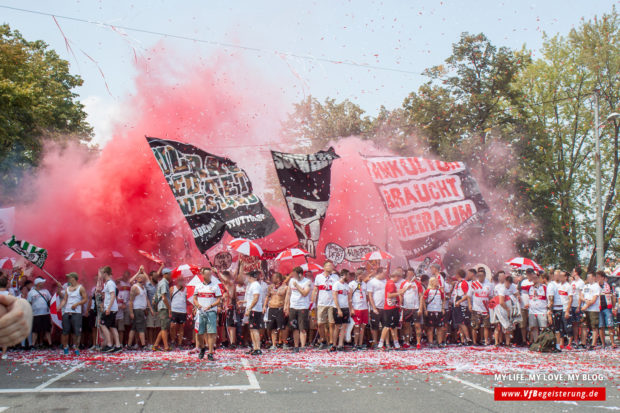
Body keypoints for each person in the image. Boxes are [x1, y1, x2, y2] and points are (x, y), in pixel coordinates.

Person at [193, 267, 222, 361]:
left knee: (211, 332)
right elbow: (194, 298)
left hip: (211, 312)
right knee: (200, 333)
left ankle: (210, 352)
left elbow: (219, 300)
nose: (209, 276)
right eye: (207, 274)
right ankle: (202, 348)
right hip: (200, 312)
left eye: (210, 274)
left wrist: (211, 306)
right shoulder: (198, 286)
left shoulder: (215, 286)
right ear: (203, 275)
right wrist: (198, 305)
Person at [311, 261, 339, 350]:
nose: (330, 267)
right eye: (328, 265)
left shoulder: (335, 277)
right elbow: (315, 289)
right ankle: (323, 340)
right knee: (320, 323)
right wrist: (312, 301)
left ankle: (331, 342)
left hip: (332, 303)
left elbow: (338, 289)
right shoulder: (319, 277)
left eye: (331, 265)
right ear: (324, 267)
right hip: (321, 303)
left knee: (331, 323)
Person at [285, 267, 312, 353]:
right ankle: (296, 346)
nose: (294, 276)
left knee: (302, 328)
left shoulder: (307, 282)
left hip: (303, 307)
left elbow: (305, 293)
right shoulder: (291, 281)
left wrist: (297, 285)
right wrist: (286, 305)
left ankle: (303, 346)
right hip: (293, 306)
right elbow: (288, 293)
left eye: (295, 275)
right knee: (294, 327)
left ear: (300, 274)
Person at [59, 272, 87, 355]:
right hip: (67, 311)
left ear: (73, 278)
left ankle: (76, 347)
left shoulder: (81, 288)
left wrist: (77, 304)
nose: (68, 279)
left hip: (76, 312)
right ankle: (65, 347)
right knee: (65, 331)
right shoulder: (67, 288)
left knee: (76, 332)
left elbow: (85, 299)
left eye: (69, 277)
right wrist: (60, 306)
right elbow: (64, 299)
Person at [127, 269, 153, 349]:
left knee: (134, 328)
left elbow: (147, 299)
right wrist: (131, 312)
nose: (144, 278)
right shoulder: (135, 287)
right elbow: (131, 301)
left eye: (144, 277)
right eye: (141, 277)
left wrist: (150, 309)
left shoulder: (144, 288)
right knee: (141, 328)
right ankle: (143, 345)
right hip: (137, 310)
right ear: (138, 278)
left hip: (141, 310)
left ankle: (129, 345)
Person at [399, 269, 423, 349]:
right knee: (406, 326)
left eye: (411, 274)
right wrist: (401, 305)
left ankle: (418, 342)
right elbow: (400, 293)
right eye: (408, 273)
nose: (410, 275)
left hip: (415, 308)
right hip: (406, 308)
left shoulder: (417, 284)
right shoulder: (403, 283)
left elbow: (421, 296)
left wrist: (420, 308)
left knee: (417, 326)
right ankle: (407, 341)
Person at [99, 266, 121, 352]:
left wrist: (108, 308)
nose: (101, 275)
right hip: (112, 308)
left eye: (102, 273)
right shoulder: (108, 283)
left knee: (102, 324)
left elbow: (113, 296)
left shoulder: (110, 283)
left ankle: (109, 344)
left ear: (105, 273)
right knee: (112, 327)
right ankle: (118, 345)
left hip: (110, 308)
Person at [265, 272, 289, 350]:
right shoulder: (270, 287)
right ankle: (274, 344)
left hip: (280, 308)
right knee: (272, 327)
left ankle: (283, 342)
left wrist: (286, 308)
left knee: (282, 327)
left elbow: (287, 299)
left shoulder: (285, 287)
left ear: (278, 278)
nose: (272, 279)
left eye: (273, 277)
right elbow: (267, 297)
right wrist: (264, 306)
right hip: (271, 308)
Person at [27, 277, 52, 348]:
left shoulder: (46, 291)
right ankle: (33, 344)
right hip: (36, 314)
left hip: (45, 313)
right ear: (38, 284)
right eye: (41, 283)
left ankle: (50, 343)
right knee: (35, 330)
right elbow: (29, 302)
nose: (43, 284)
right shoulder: (31, 292)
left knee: (47, 329)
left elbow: (50, 300)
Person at [469, 270, 492, 346]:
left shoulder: (489, 284)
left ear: (485, 276)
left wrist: (491, 307)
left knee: (486, 326)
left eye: (481, 276)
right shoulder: (474, 284)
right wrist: (470, 305)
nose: (480, 277)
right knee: (475, 326)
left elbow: (491, 296)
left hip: (486, 308)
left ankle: (485, 341)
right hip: (476, 308)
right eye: (478, 276)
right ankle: (474, 342)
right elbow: (469, 295)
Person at [379, 271, 401, 350]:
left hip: (393, 307)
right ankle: (380, 343)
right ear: (396, 277)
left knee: (394, 326)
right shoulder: (390, 283)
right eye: (399, 277)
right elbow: (389, 295)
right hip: (389, 308)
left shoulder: (391, 283)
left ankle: (396, 343)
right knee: (387, 326)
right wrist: (400, 292)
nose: (399, 279)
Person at [330, 271, 352, 351]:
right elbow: (335, 297)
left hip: (345, 308)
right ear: (343, 275)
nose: (349, 277)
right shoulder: (336, 284)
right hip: (337, 308)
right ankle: (334, 344)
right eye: (348, 275)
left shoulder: (347, 286)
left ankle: (340, 344)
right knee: (337, 326)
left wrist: (350, 309)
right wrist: (338, 309)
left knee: (344, 327)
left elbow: (349, 299)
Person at [245, 270, 264, 356]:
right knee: (252, 329)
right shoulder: (252, 285)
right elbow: (251, 298)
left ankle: (258, 348)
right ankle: (254, 347)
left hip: (255, 310)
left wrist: (250, 308)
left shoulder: (255, 285)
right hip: (252, 309)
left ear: (250, 277)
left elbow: (256, 298)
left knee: (255, 329)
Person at [366, 267, 387, 349]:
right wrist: (374, 308)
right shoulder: (371, 282)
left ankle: (383, 342)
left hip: (385, 307)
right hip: (376, 307)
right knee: (375, 326)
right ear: (379, 273)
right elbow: (370, 296)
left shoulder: (385, 281)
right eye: (384, 273)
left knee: (385, 325)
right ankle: (375, 342)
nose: (385, 275)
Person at [580, 272, 601, 350]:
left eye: (590, 277)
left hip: (593, 309)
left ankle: (593, 344)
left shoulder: (596, 286)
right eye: (587, 277)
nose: (588, 278)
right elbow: (581, 295)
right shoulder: (586, 286)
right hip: (586, 308)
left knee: (594, 327)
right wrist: (585, 300)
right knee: (584, 326)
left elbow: (594, 299)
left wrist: (587, 305)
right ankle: (583, 342)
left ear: (594, 277)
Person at [349, 268, 369, 350]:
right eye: (363, 274)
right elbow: (349, 297)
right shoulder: (352, 284)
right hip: (356, 308)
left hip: (364, 308)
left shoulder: (364, 284)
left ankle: (360, 344)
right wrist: (351, 309)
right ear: (359, 275)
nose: (365, 276)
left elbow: (367, 296)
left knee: (363, 326)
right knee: (356, 326)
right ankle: (355, 343)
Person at [153, 268, 172, 351]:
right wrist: (169, 308)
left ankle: (156, 345)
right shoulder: (164, 283)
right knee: (164, 328)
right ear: (165, 274)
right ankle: (166, 346)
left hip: (162, 307)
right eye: (169, 274)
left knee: (164, 327)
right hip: (164, 307)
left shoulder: (162, 282)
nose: (170, 276)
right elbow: (164, 298)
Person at [422, 277, 445, 347]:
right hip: (430, 310)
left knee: (440, 327)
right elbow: (423, 299)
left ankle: (439, 342)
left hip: (438, 310)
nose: (437, 282)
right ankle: (431, 342)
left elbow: (443, 299)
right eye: (435, 281)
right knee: (430, 328)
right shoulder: (428, 291)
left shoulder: (440, 291)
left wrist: (443, 308)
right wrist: (425, 309)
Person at [452, 269, 472, 346]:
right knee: (459, 324)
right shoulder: (458, 283)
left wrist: (459, 302)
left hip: (461, 305)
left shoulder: (463, 283)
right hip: (456, 304)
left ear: (458, 275)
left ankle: (468, 339)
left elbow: (467, 295)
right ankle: (462, 340)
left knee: (462, 323)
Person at [596, 271, 616, 348]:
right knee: (601, 326)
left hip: (608, 308)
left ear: (603, 278)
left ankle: (612, 342)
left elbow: (613, 297)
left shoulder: (609, 286)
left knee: (610, 325)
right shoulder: (595, 286)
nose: (598, 279)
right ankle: (603, 343)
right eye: (597, 277)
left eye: (599, 277)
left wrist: (614, 307)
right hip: (599, 308)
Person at [528, 272, 549, 342]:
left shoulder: (544, 287)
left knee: (543, 327)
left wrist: (549, 309)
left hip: (542, 310)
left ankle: (543, 342)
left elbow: (548, 298)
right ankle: (536, 342)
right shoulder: (530, 287)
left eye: (535, 278)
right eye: (533, 278)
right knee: (534, 327)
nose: (534, 280)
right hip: (532, 311)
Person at [169, 276, 188, 349]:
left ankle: (180, 343)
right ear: (176, 280)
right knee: (172, 326)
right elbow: (169, 299)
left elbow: (187, 299)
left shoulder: (186, 289)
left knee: (181, 327)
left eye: (182, 280)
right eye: (179, 280)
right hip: (174, 310)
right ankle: (173, 341)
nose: (181, 281)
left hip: (182, 311)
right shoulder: (172, 288)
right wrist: (169, 310)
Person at [570, 267, 585, 348]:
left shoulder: (581, 282)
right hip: (572, 305)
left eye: (573, 271)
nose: (572, 272)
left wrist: (579, 306)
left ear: (576, 272)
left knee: (580, 323)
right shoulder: (572, 282)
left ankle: (582, 341)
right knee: (574, 324)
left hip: (578, 305)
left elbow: (580, 295)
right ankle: (575, 340)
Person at [116, 271, 132, 346]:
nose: (126, 277)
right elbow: (115, 280)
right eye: (124, 275)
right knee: (118, 326)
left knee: (127, 324)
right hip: (119, 306)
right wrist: (121, 277)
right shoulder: (119, 282)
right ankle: (118, 342)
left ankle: (125, 341)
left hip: (127, 305)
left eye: (127, 275)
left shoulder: (130, 283)